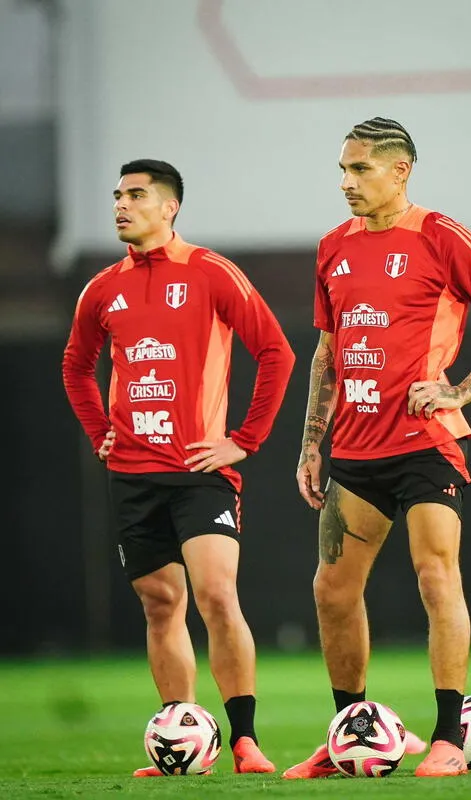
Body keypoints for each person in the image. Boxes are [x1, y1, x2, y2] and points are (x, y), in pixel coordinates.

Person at [284, 118, 471, 780]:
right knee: (333, 592)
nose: (346, 183)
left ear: (401, 170)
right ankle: (351, 734)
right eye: (341, 170)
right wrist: (313, 444)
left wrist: (460, 390)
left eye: (360, 170)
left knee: (436, 577)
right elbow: (327, 352)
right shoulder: (331, 248)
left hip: (425, 443)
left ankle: (450, 737)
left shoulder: (439, 236)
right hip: (356, 451)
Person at [63, 159, 295, 777]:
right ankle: (182, 735)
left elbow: (276, 351)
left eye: (136, 195)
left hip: (200, 470)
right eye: (117, 195)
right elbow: (76, 366)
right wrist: (99, 433)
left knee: (217, 594)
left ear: (170, 207)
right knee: (160, 603)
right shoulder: (102, 288)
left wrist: (244, 438)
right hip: (133, 475)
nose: (122, 204)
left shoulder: (211, 272)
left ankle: (244, 741)